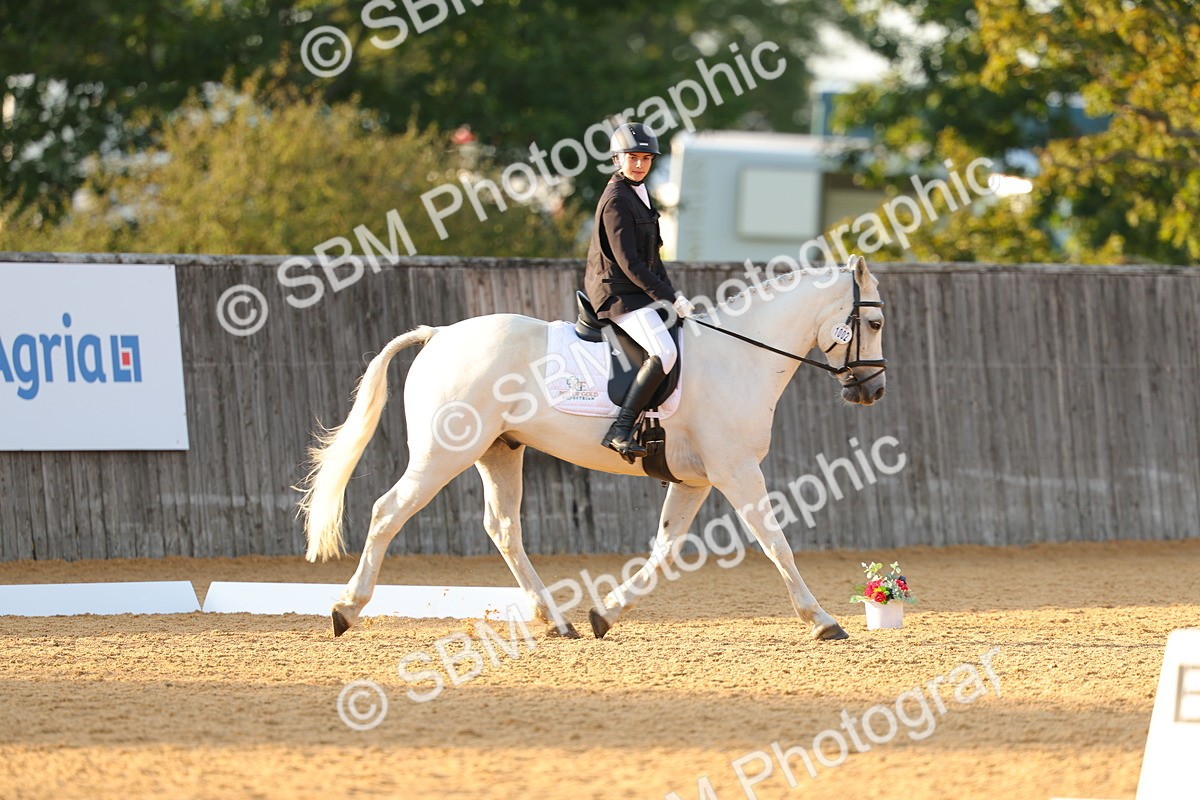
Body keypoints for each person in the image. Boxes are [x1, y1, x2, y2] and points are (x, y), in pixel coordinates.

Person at [584, 122, 695, 459]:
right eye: (632, 157)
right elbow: (630, 264)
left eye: (645, 158)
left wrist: (672, 295)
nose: (639, 164)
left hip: (636, 293)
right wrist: (668, 298)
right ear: (617, 159)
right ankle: (620, 428)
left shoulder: (639, 196)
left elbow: (653, 259)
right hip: (617, 295)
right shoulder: (617, 200)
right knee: (665, 352)